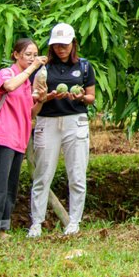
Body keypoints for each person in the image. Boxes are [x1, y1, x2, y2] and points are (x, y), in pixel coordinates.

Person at [28, 22, 96, 238]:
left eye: (65, 44)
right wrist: (47, 97)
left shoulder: (84, 67)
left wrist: (80, 97)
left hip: (75, 122)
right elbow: (34, 96)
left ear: (73, 44)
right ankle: (36, 224)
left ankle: (74, 222)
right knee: (42, 174)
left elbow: (91, 97)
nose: (61, 49)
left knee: (76, 174)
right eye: (57, 45)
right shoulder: (43, 67)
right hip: (47, 122)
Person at [0, 38, 47, 238]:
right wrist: (31, 68)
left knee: (10, 186)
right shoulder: (7, 74)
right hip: (3, 136)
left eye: (35, 55)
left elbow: (30, 113)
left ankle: (1, 228)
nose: (32, 59)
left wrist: (41, 100)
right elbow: (8, 87)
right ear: (16, 55)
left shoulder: (26, 83)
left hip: (19, 139)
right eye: (28, 54)